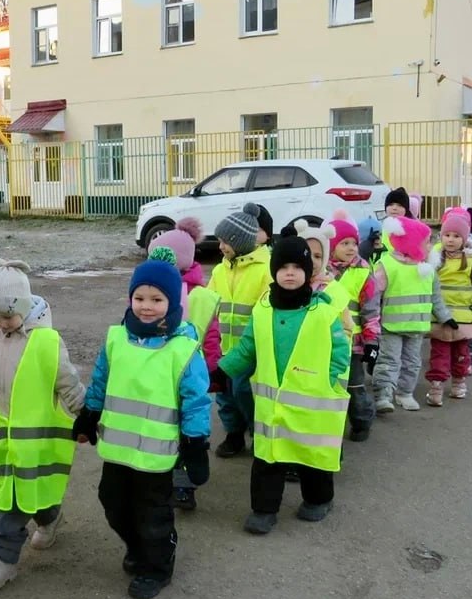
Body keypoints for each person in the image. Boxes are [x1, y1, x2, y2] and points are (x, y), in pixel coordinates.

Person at [73, 248, 212, 599]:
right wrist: (89, 414)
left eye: (156, 299)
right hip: (118, 450)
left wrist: (196, 443)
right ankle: (137, 546)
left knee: (153, 515)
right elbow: (101, 380)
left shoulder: (183, 348)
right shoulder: (116, 338)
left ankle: (157, 567)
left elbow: (196, 399)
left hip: (157, 455)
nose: (146, 306)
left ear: (173, 302)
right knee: (113, 503)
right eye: (139, 298)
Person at [215, 227, 350, 533]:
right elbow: (247, 348)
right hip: (271, 408)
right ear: (274, 271)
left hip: (312, 405)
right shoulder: (263, 311)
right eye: (283, 267)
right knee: (268, 458)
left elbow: (339, 353)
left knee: (311, 456)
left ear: (308, 271)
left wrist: (327, 381)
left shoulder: (324, 312)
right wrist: (222, 371)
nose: (290, 273)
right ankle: (264, 509)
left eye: (297, 267)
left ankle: (318, 499)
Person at [0, 259, 86, 590]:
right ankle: (51, 517)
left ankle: (1, 560)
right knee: (30, 494)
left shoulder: (46, 342)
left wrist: (87, 417)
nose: (1, 323)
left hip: (35, 445)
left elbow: (68, 383)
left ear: (24, 306)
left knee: (11, 504)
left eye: (7, 316)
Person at [148, 218, 221, 511]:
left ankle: (183, 484)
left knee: (186, 429)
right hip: (161, 372)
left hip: (189, 372)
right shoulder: (152, 288)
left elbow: (212, 334)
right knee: (166, 427)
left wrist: (211, 368)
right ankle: (169, 478)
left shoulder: (199, 295)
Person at [371, 216, 454, 413]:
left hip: (417, 328)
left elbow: (435, 297)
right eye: (426, 242)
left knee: (412, 363)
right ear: (411, 242)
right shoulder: (387, 265)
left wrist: (445, 317)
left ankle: (405, 393)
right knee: (389, 361)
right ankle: (383, 396)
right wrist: (371, 322)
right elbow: (373, 297)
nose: (430, 246)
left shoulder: (428, 269)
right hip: (391, 326)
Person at [207, 204, 271, 457]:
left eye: (225, 241)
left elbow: (267, 310)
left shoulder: (265, 270)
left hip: (249, 351)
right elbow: (210, 305)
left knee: (246, 393)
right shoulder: (220, 269)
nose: (220, 246)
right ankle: (233, 434)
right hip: (223, 349)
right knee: (224, 395)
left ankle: (257, 432)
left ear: (240, 241)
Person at [424, 211, 472, 406]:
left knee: (461, 355)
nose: (451, 240)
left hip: (464, 319)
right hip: (440, 318)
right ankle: (436, 387)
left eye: (456, 236)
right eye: (447, 235)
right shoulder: (434, 261)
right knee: (438, 355)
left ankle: (459, 383)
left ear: (464, 239)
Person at [326, 211, 381, 441]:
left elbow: (371, 310)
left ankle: (361, 421)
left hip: (353, 343)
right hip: (326, 340)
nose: (351, 248)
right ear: (331, 247)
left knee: (355, 386)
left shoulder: (363, 272)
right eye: (344, 243)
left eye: (354, 243)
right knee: (329, 385)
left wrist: (372, 341)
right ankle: (329, 424)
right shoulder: (322, 271)